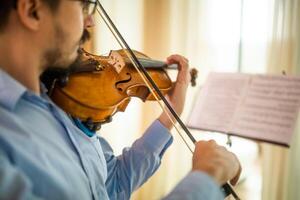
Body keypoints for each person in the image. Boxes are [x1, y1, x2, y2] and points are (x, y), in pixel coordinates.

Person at [0, 0, 241, 199]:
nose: (90, 21)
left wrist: (169, 117)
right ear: (32, 10)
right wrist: (207, 177)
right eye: (83, 5)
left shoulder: (60, 102)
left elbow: (109, 185)